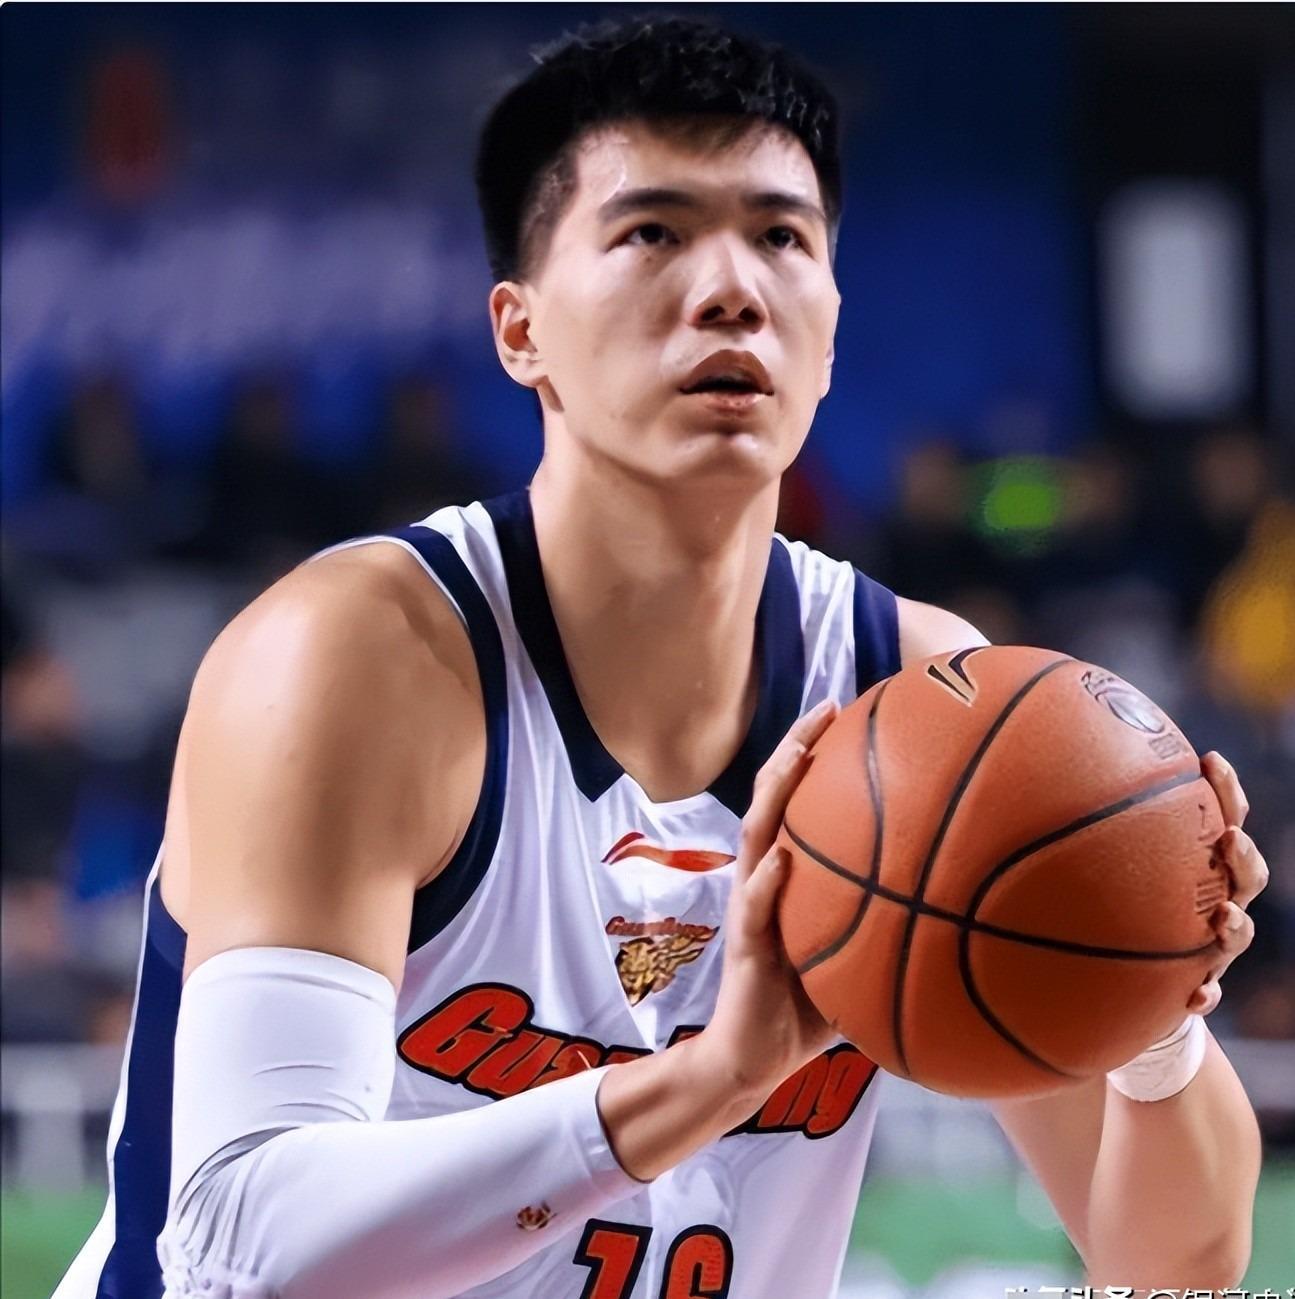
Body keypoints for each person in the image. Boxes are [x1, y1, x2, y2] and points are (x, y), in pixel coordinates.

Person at [54, 18, 1267, 1299]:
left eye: (780, 237)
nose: (730, 288)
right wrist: (709, 1081)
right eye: (652, 233)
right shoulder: (359, 660)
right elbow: (238, 1242)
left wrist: (1151, 1011)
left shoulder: (921, 702)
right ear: (519, 331)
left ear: (831, 329)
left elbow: (1170, 1266)